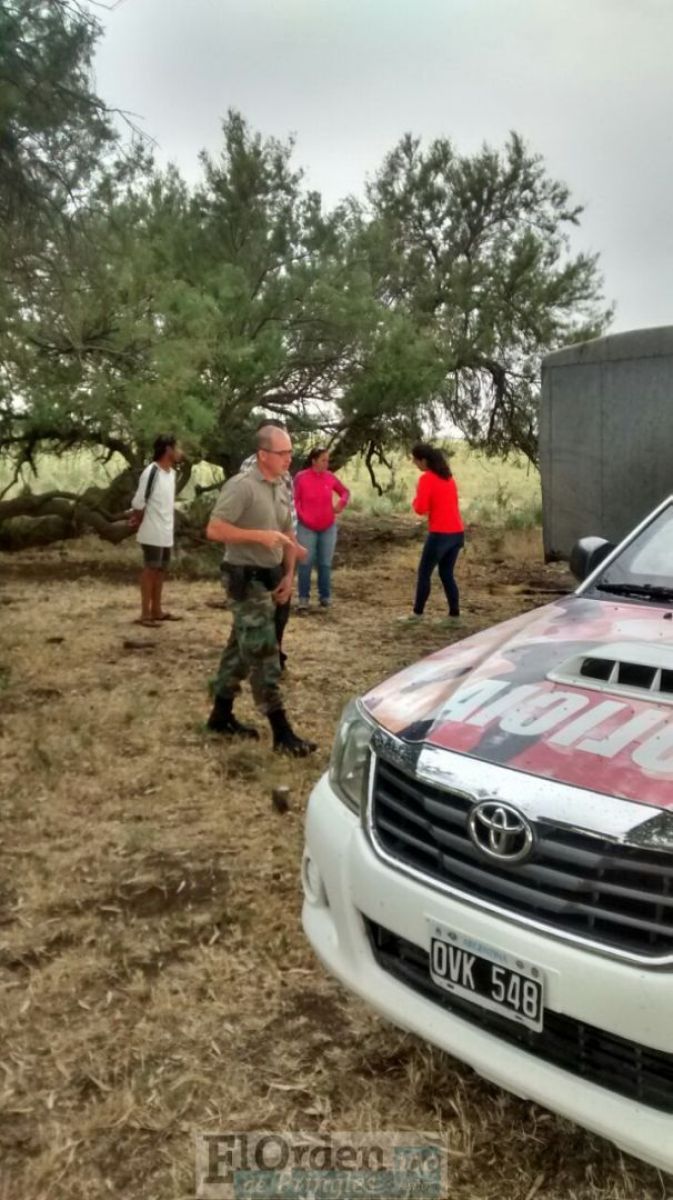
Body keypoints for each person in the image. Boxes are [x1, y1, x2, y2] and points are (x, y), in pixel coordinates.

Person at [205, 424, 317, 756]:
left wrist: (289, 575)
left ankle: (220, 716)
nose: (289, 459)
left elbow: (286, 532)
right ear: (263, 455)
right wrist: (258, 536)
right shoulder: (241, 487)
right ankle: (282, 733)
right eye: (283, 453)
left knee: (239, 651)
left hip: (270, 576)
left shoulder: (282, 484)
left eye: (290, 452)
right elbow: (214, 529)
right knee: (265, 653)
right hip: (243, 577)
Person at [239, 419, 305, 670]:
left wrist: (293, 544)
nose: (287, 455)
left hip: (282, 546)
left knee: (281, 603)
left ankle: (274, 651)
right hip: (258, 550)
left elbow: (287, 513)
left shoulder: (285, 474)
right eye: (281, 448)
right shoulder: (249, 470)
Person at [404, 443, 465, 621]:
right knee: (446, 574)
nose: (414, 464)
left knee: (424, 573)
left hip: (440, 533)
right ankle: (454, 614)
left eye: (415, 460)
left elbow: (421, 508)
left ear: (423, 460)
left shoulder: (427, 479)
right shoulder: (448, 478)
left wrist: (415, 502)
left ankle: (418, 613)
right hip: (456, 532)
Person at [129, 434, 183, 627]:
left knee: (161, 570)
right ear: (168, 449)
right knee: (150, 569)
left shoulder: (171, 474)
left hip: (166, 530)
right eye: (177, 448)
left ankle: (157, 610)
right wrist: (137, 519)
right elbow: (139, 501)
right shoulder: (151, 472)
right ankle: (145, 614)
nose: (180, 452)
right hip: (152, 529)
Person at [293, 447, 350, 611]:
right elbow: (294, 499)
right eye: (323, 460)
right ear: (314, 461)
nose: (326, 463)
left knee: (325, 564)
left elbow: (345, 492)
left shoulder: (330, 477)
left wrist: (341, 504)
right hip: (306, 526)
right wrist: (301, 516)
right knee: (305, 562)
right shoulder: (301, 477)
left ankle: (325, 597)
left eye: (328, 460)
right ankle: (303, 598)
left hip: (328, 527)